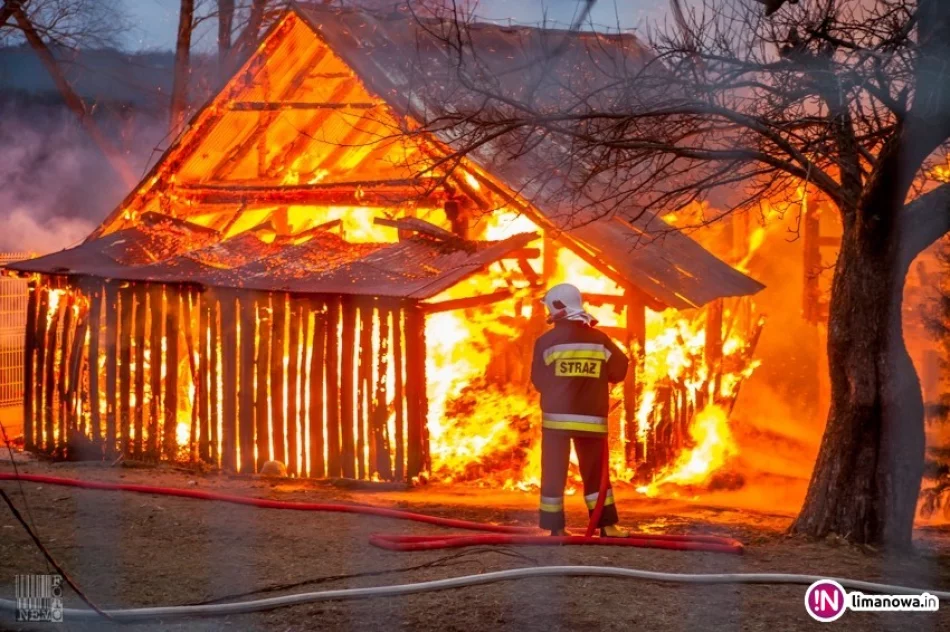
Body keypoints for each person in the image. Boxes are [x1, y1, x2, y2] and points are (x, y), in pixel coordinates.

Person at [530, 283, 630, 537]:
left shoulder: (546, 341)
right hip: (590, 421)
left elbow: (539, 381)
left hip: (555, 423)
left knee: (553, 474)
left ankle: (557, 530)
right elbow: (619, 370)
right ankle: (606, 526)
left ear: (557, 307)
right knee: (596, 475)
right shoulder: (600, 340)